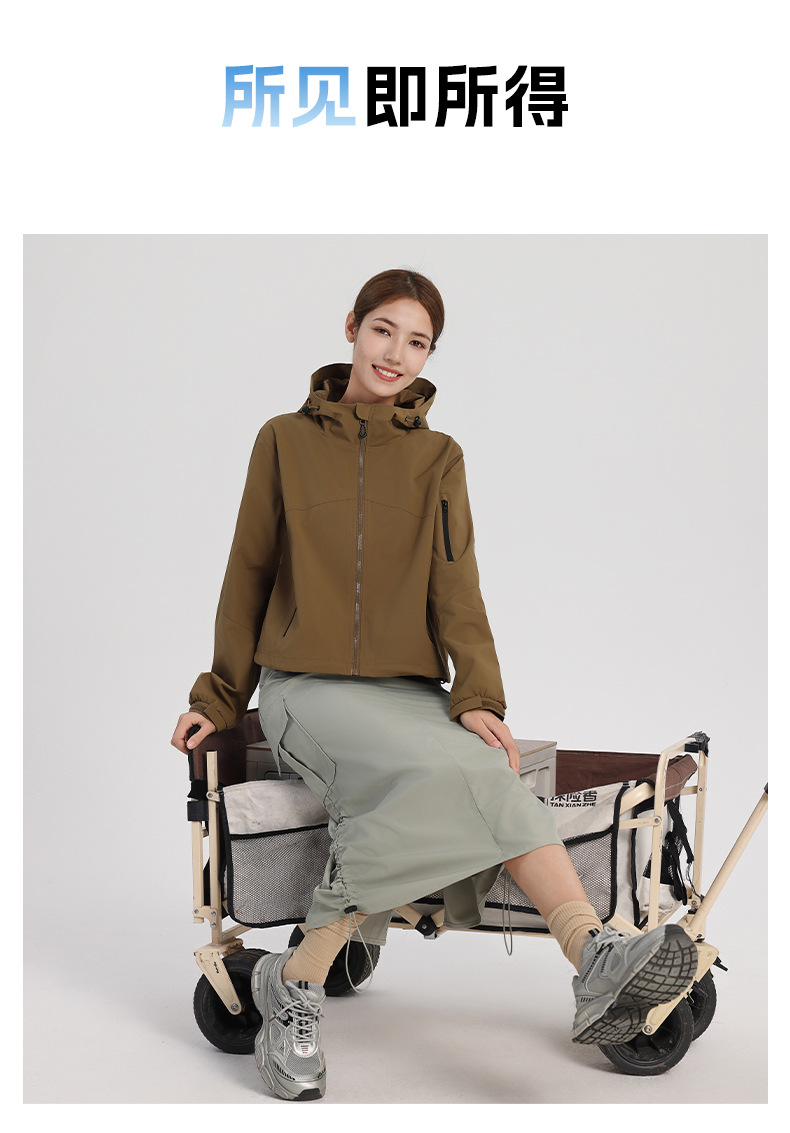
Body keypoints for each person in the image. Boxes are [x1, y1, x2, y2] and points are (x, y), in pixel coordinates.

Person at [171, 268, 697, 1102]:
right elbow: (248, 572)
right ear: (351, 326)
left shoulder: (438, 457)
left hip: (408, 691)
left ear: (428, 356)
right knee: (425, 779)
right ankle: (298, 984)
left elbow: (457, 586)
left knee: (488, 772)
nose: (396, 353)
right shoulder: (283, 440)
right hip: (307, 688)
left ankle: (593, 957)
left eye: (417, 342)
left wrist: (478, 695)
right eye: (384, 330)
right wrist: (218, 698)